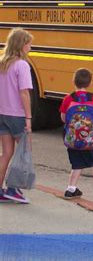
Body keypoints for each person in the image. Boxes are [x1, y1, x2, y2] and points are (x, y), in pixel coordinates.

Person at [59, 68, 93, 200]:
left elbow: (63, 118)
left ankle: (71, 189)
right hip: (90, 139)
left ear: (73, 81)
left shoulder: (68, 98)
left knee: (77, 163)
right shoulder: (92, 98)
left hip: (73, 139)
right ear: (90, 83)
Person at [0, 28, 34, 204]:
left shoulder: (2, 63)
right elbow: (24, 93)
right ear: (21, 45)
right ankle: (14, 188)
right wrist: (28, 118)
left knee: (6, 153)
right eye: (29, 44)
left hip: (2, 113)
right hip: (17, 115)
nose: (30, 47)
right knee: (23, 152)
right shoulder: (22, 65)